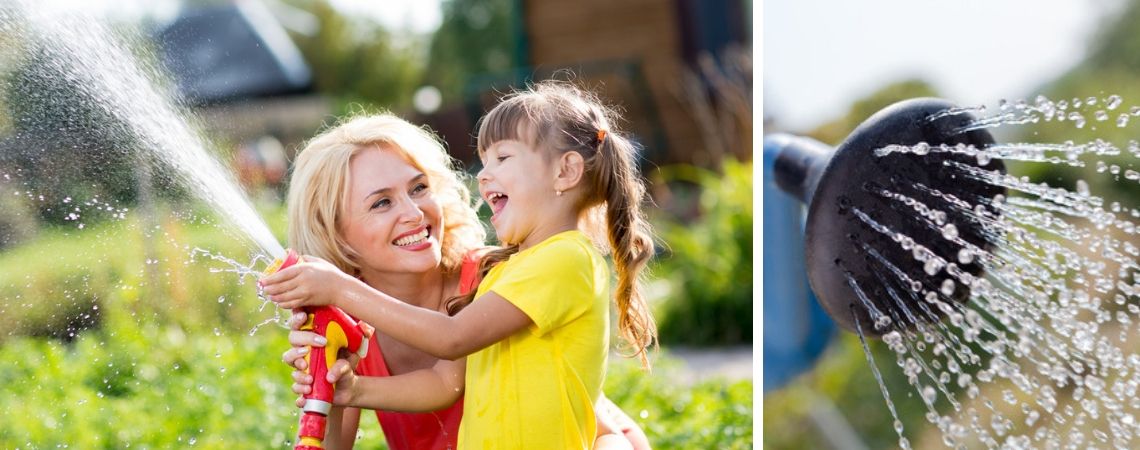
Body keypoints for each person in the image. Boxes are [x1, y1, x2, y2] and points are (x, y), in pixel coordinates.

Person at [269, 112, 650, 449]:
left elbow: (601, 427)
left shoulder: (495, 275)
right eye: (381, 202)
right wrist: (332, 387)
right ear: (335, 233)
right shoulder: (347, 321)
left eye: (419, 188)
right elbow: (442, 384)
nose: (415, 213)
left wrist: (340, 288)